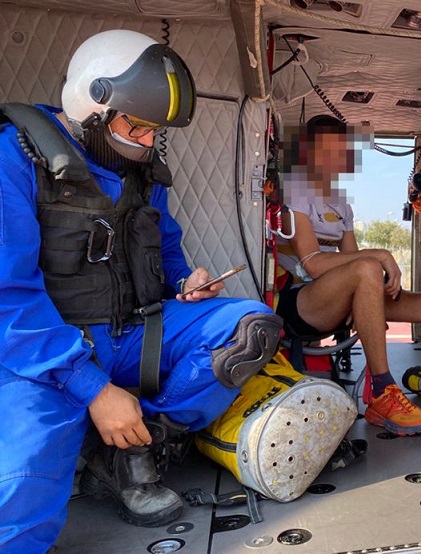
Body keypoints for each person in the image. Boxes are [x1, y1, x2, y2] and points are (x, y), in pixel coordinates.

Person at [0, 30, 282, 553]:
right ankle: (106, 430)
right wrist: (94, 390)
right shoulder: (14, 160)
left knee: (251, 328)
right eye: (138, 126)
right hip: (41, 356)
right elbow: (6, 301)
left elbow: (166, 249)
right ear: (92, 104)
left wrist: (184, 282)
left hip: (130, 333)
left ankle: (130, 450)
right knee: (19, 502)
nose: (147, 142)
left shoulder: (140, 172)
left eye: (156, 131)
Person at [275, 115, 421, 436]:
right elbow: (312, 264)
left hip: (339, 296)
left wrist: (374, 279)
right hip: (299, 301)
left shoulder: (341, 203)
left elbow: (351, 262)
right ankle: (382, 391)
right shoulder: (294, 191)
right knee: (368, 267)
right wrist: (382, 255)